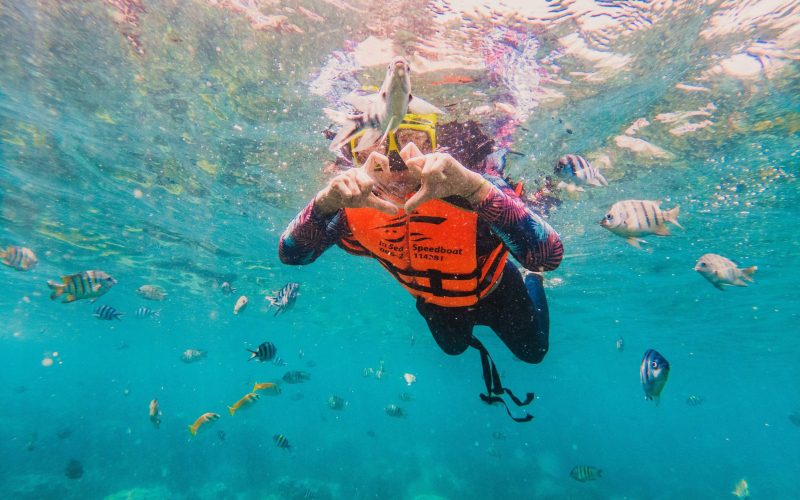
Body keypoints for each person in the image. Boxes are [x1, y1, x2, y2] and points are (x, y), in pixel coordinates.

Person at [279, 113, 563, 422]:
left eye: (411, 141)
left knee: (534, 352)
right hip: (435, 303)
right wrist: (324, 203)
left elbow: (547, 257)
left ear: (431, 145)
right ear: (356, 157)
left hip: (498, 290)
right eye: (371, 147)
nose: (394, 163)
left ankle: (531, 281)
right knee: (452, 348)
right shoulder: (350, 208)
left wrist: (471, 187)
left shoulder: (466, 183)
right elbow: (293, 255)